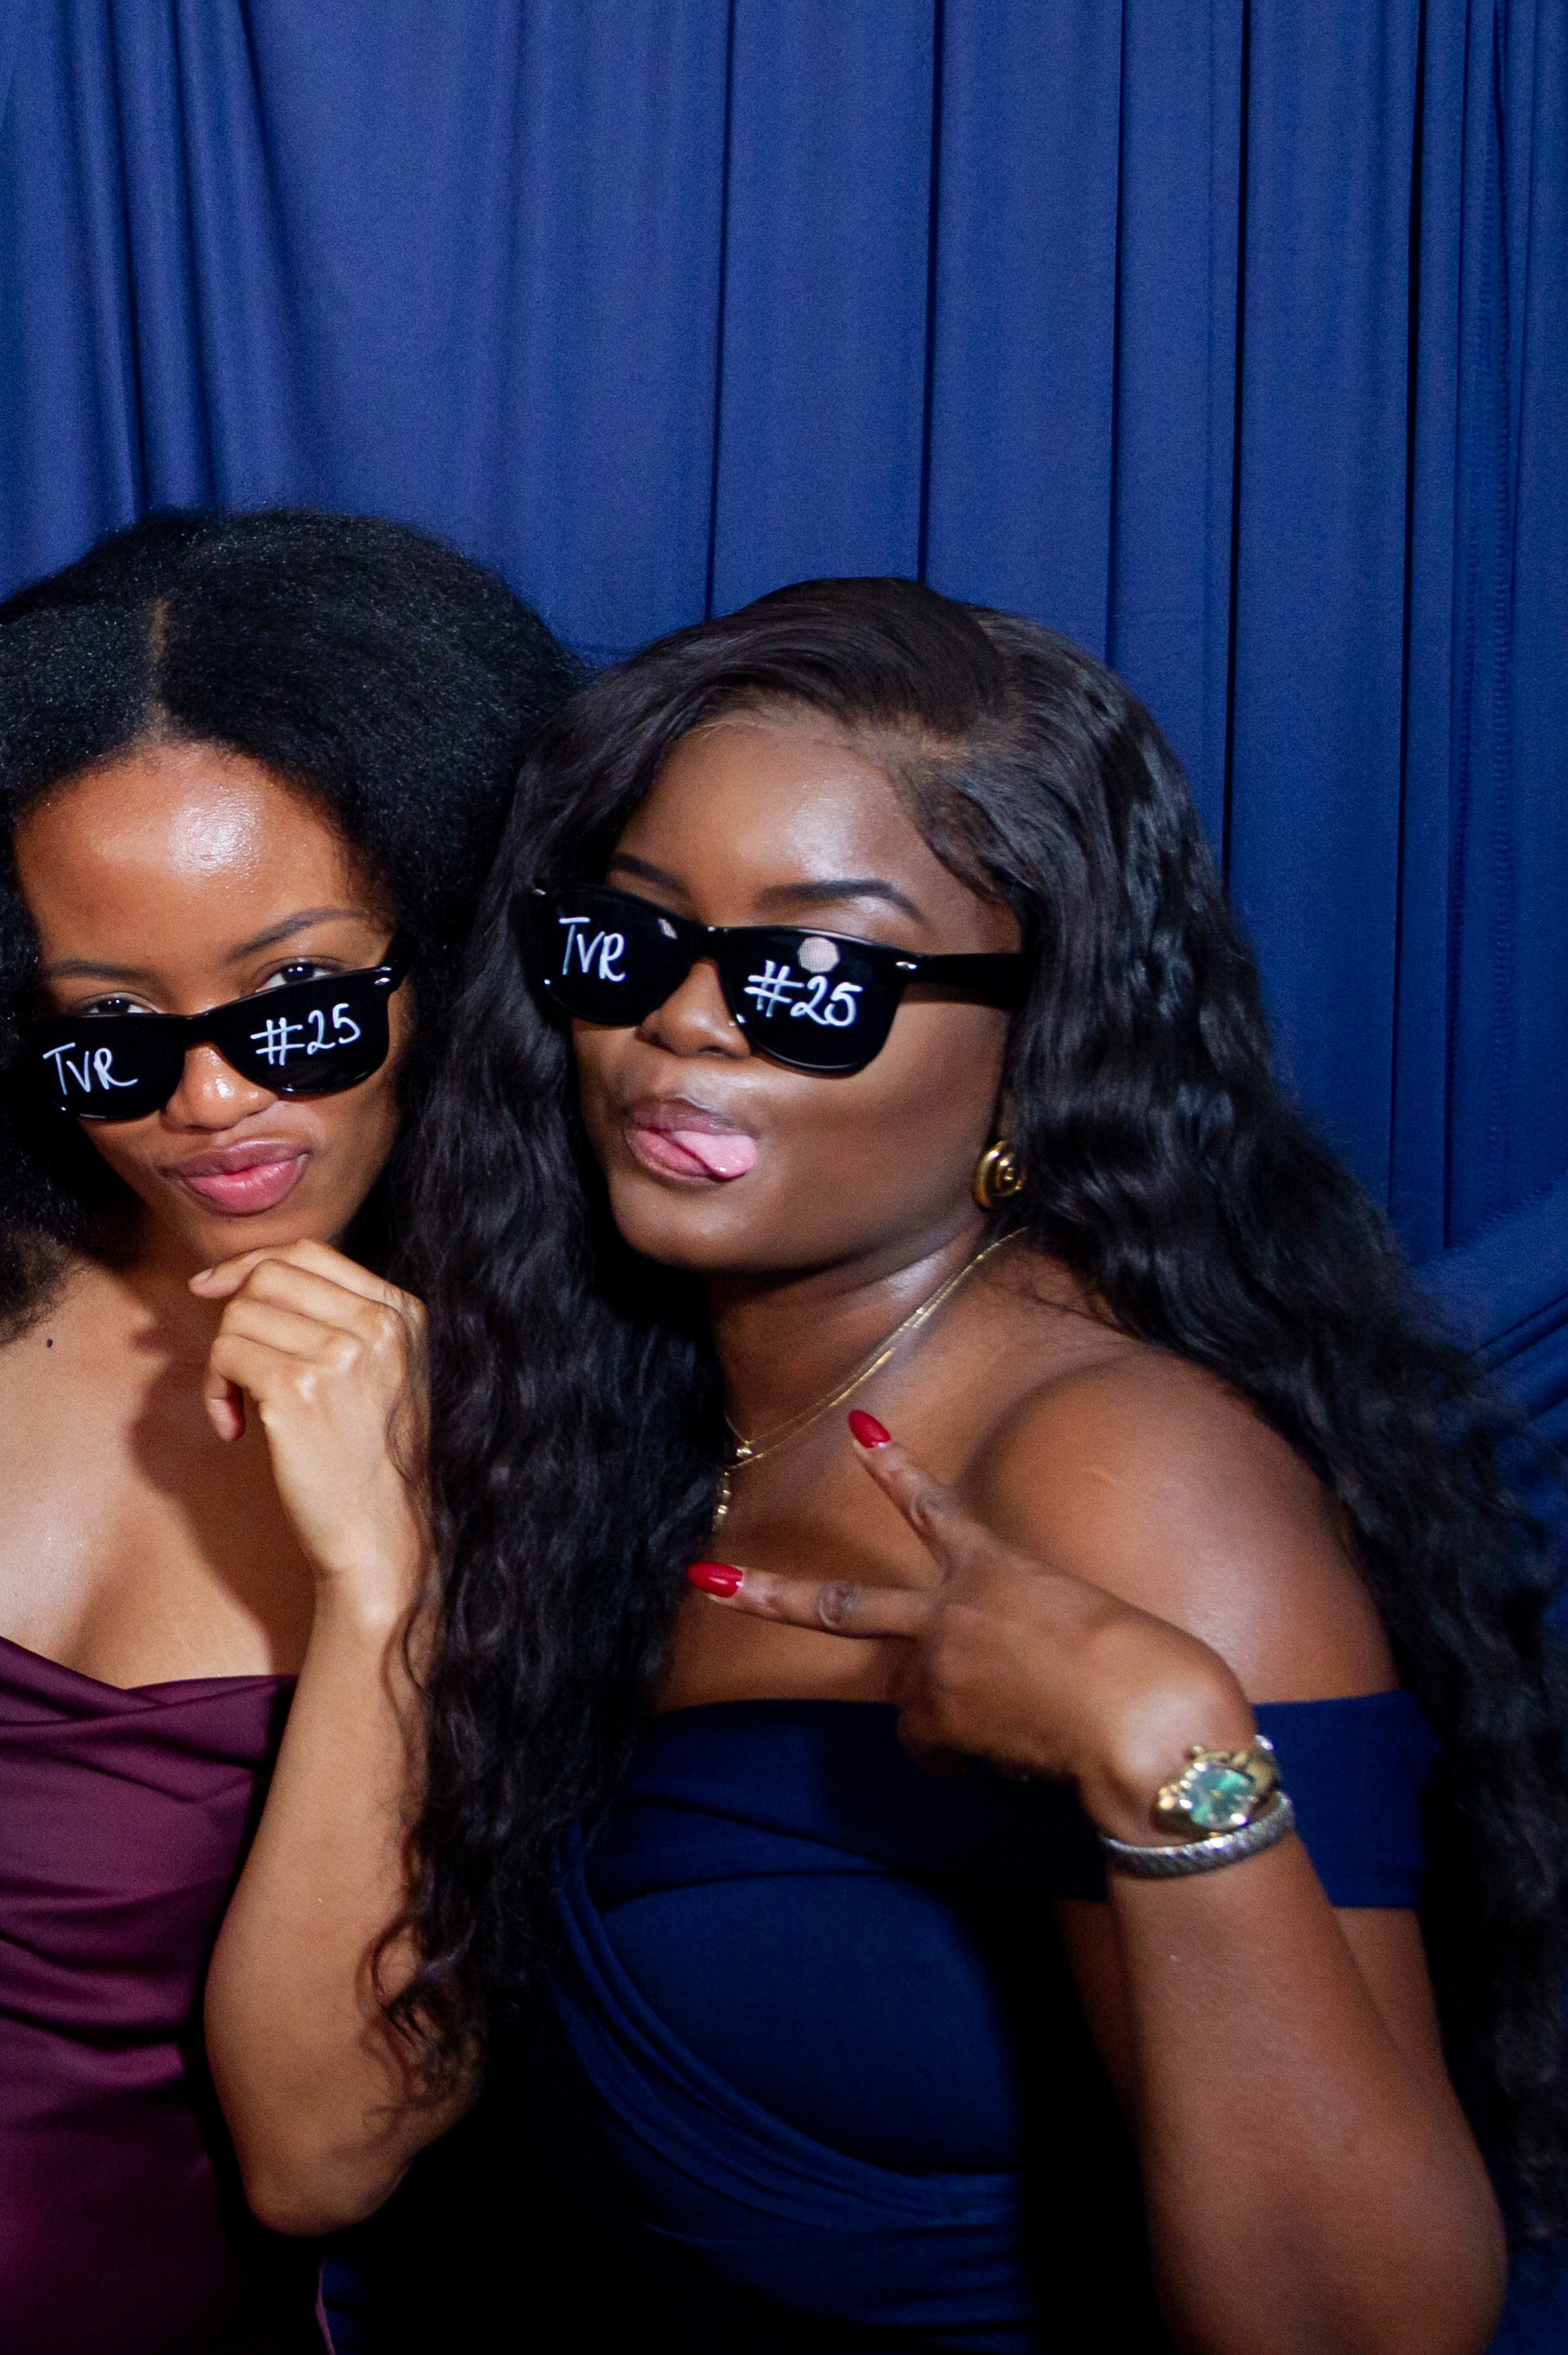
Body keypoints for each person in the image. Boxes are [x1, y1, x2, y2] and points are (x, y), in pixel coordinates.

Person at [395, 577, 1568, 2352]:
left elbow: (1361, 2332)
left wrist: (1165, 1752)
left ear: (1035, 1038)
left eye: (811, 976)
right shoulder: (626, 1414)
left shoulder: (1117, 1471)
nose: (682, 1021)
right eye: (627, 941)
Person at [0, 511, 580, 2352]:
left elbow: (319, 2155)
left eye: (299, 1004)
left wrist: (387, 1574)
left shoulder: (557, 1448)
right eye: (113, 1033)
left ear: (458, 954)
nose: (209, 1095)